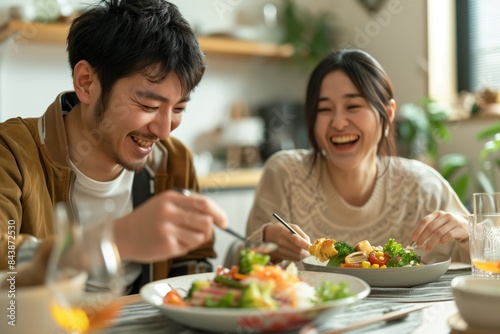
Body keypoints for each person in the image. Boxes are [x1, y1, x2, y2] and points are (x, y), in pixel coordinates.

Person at [0, 0, 228, 293]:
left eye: (178, 108)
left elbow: (193, 263)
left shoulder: (174, 160)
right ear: (86, 83)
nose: (163, 131)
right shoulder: (12, 151)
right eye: (148, 105)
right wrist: (111, 239)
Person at [246, 48, 470, 265]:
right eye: (324, 109)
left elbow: (490, 260)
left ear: (388, 113)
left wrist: (469, 234)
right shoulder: (284, 173)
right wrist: (267, 241)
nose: (339, 123)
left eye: (353, 106)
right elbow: (237, 261)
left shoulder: (423, 186)